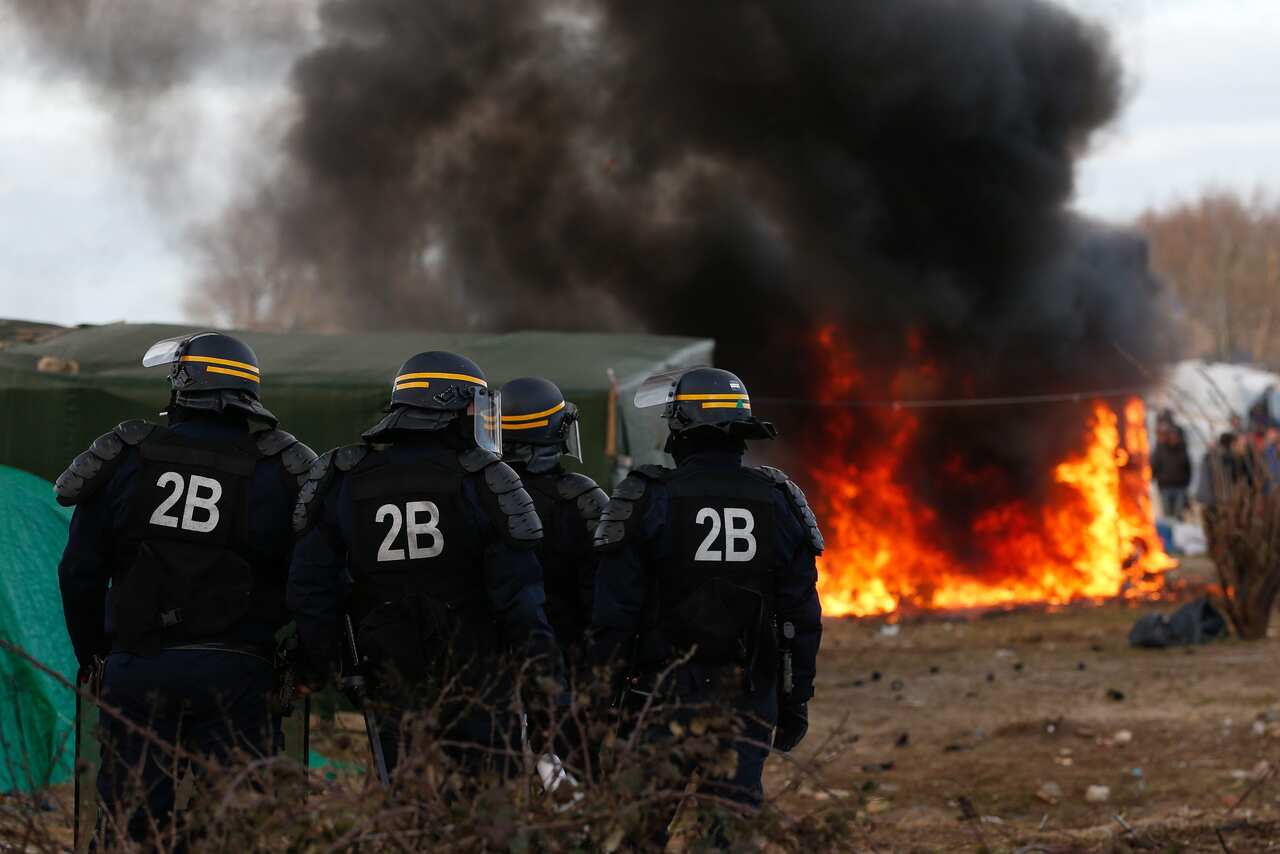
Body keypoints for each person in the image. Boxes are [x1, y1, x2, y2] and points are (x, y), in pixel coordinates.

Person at [55, 332, 316, 843]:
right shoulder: (282, 468)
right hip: (240, 671)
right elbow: (310, 581)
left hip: (138, 664)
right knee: (234, 827)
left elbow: (79, 571)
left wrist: (94, 656)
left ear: (181, 386)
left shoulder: (127, 455)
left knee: (131, 825)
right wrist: (294, 660)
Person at [288, 351, 556, 778]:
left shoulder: (343, 474)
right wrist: (544, 676)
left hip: (387, 674)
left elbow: (311, 588)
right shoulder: (486, 478)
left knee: (406, 808)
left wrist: (330, 663)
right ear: (450, 406)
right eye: (474, 407)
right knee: (486, 813)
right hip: (477, 679)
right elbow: (520, 598)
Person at [590, 367, 823, 837]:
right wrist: (795, 700)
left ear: (681, 425)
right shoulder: (779, 500)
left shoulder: (646, 497)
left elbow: (614, 615)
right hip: (747, 694)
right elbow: (800, 617)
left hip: (659, 693)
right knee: (728, 831)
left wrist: (601, 697)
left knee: (638, 830)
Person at [498, 376, 608, 656]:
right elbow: (602, 597)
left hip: (489, 663)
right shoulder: (580, 498)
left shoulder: (477, 493)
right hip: (564, 655)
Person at [1151, 415, 1192, 519]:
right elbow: (1154, 465)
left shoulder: (1183, 450)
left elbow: (1188, 468)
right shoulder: (1160, 449)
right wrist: (1153, 478)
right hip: (1165, 487)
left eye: (1175, 436)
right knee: (1168, 517)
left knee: (1178, 515)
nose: (1174, 438)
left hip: (1180, 487)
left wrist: (1185, 484)